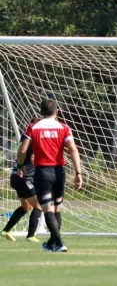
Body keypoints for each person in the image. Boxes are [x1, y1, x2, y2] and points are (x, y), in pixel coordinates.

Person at [17, 99, 82, 252]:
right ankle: (52, 243)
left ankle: (59, 243)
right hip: (59, 172)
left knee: (48, 211)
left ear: (41, 113)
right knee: (56, 209)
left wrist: (20, 166)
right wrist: (78, 173)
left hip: (43, 173)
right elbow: (73, 149)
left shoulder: (34, 127)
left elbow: (22, 150)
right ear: (57, 112)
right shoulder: (64, 128)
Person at [1, 118, 43, 243]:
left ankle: (6, 230)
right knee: (39, 206)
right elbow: (33, 158)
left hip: (15, 177)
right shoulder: (34, 141)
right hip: (24, 178)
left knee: (26, 208)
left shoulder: (27, 139)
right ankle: (31, 236)